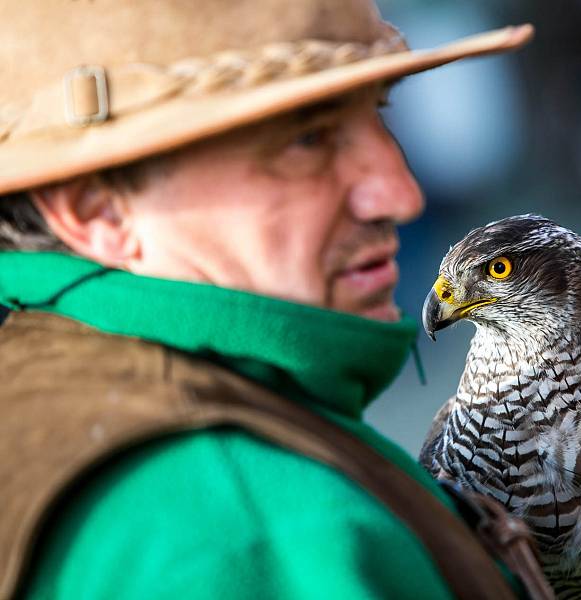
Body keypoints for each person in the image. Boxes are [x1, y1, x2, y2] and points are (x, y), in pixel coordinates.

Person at [0, 1, 534, 598]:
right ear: (96, 209)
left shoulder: (37, 365)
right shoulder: (259, 530)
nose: (401, 195)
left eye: (382, 111)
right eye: (308, 137)